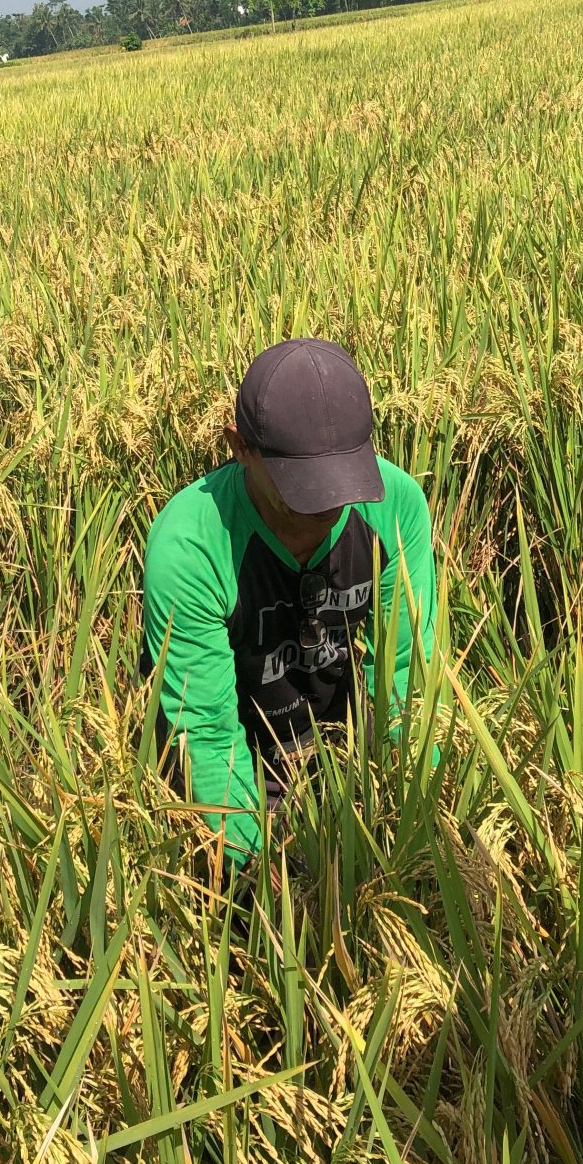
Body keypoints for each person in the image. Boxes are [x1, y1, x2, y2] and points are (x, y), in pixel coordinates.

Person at [142, 338, 436, 870]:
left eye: (343, 477)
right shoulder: (191, 546)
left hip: (343, 758)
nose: (330, 502)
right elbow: (206, 733)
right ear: (239, 446)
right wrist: (260, 876)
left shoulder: (396, 508)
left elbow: (404, 676)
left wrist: (418, 822)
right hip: (244, 765)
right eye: (303, 485)